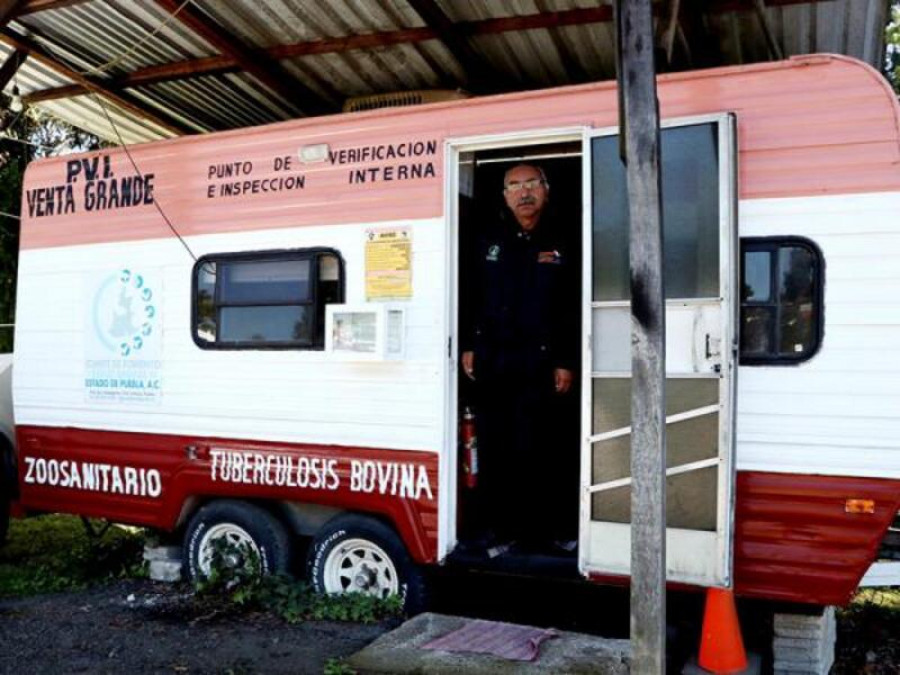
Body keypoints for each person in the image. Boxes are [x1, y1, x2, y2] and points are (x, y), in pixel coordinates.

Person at [461, 163, 579, 554]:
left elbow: (572, 304)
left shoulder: (567, 236)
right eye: (514, 186)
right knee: (497, 449)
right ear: (504, 195)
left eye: (532, 184)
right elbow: (470, 294)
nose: (524, 192)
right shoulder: (487, 239)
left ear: (546, 189)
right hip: (495, 362)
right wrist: (469, 345)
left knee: (546, 449)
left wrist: (566, 359)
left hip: (543, 366)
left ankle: (553, 532)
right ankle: (502, 531)